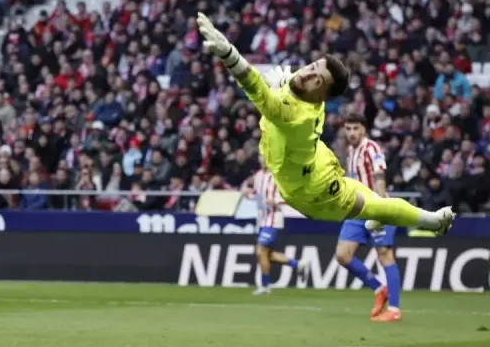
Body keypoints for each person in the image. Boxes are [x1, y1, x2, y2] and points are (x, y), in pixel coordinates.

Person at [195, 12, 455, 234]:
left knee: (376, 206)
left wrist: (230, 55)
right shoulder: (305, 87)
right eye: (312, 67)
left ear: (321, 93)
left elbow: (256, 88)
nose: (307, 74)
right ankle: (383, 214)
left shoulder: (294, 115)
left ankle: (432, 222)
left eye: (316, 78)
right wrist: (281, 82)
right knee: (370, 200)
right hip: (314, 157)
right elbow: (285, 82)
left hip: (313, 192)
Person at [337, 113, 401, 322]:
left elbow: (379, 176)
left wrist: (380, 207)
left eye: (355, 128)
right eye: (348, 129)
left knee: (384, 255)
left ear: (363, 129)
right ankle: (378, 288)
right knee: (342, 255)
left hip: (376, 208)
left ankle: (394, 309)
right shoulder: (350, 151)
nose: (352, 133)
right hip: (357, 211)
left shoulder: (371, 148)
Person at [246, 157, 306, 295]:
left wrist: (276, 201)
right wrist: (248, 195)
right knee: (268, 255)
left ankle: (265, 286)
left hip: (273, 219)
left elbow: (289, 196)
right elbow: (257, 194)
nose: (263, 159)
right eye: (261, 156)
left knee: (260, 251)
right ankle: (298, 264)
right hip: (262, 219)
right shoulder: (258, 175)